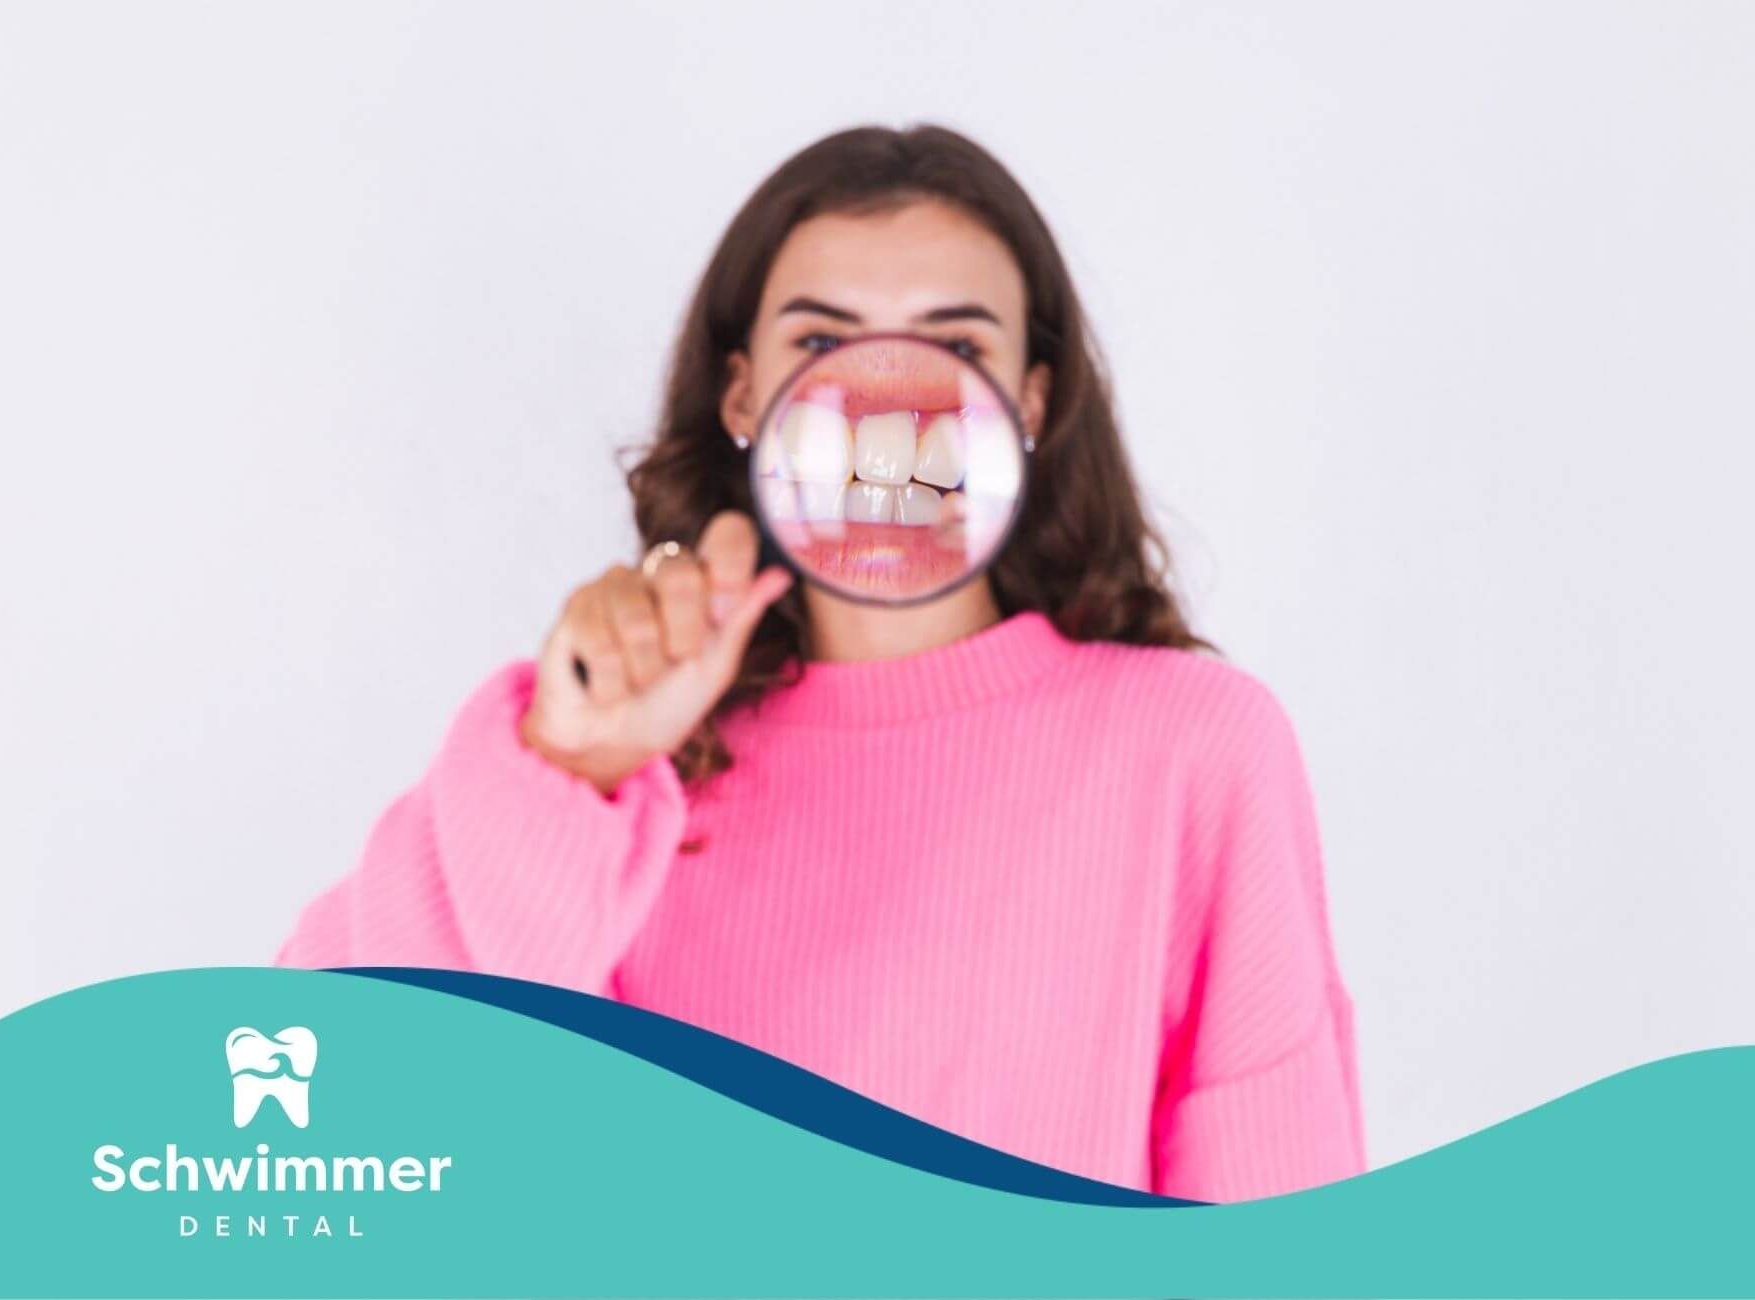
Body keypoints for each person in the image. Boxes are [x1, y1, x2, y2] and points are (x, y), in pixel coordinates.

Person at [276, 124, 1367, 1203]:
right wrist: (569, 766)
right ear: (742, 395)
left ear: (1032, 400)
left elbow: (1279, 1198)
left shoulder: (1193, 744)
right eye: (819, 344)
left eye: (958, 346)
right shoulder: (633, 763)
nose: (888, 399)